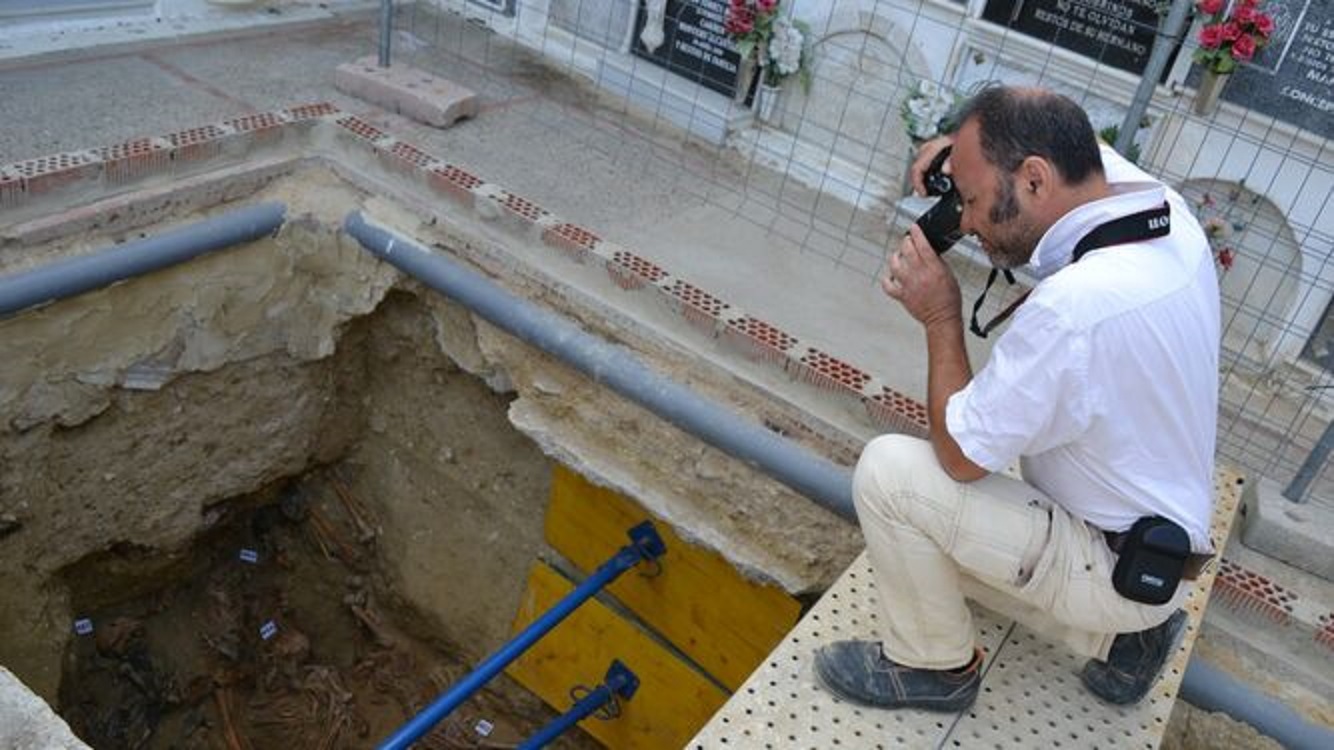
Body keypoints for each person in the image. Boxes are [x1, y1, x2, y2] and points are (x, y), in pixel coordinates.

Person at [813, 86, 1220, 712]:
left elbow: (959, 455)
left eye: (971, 201)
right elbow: (1068, 134)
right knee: (943, 538)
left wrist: (941, 315)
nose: (967, 222)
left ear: (1034, 178)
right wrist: (962, 152)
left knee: (892, 480)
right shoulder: (1166, 213)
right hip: (1154, 539)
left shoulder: (1075, 310)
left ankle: (933, 668)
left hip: (1107, 555)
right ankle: (1128, 631)